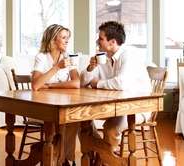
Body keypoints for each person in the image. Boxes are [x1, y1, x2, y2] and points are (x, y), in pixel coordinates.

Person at [80, 21, 152, 165]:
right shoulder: (103, 56)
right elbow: (83, 82)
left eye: (100, 38)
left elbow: (121, 83)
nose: (97, 41)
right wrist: (90, 68)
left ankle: (102, 160)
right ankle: (102, 153)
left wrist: (98, 83)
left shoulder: (130, 54)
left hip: (137, 107)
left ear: (112, 41)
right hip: (114, 106)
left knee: (111, 127)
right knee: (80, 120)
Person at [31, 24, 80, 166]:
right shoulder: (41, 58)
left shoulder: (68, 58)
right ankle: (59, 160)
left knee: (74, 120)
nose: (67, 41)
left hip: (63, 106)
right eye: (63, 38)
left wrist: (50, 86)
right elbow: (35, 85)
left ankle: (65, 159)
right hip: (43, 107)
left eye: (67, 38)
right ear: (53, 41)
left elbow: (76, 83)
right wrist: (57, 67)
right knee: (61, 121)